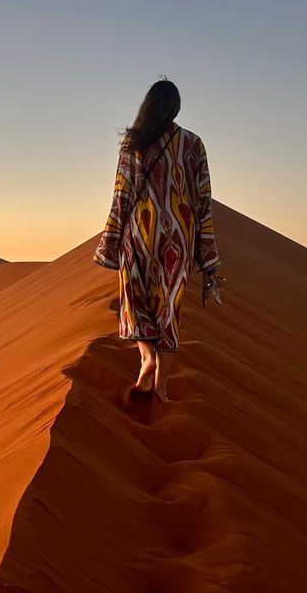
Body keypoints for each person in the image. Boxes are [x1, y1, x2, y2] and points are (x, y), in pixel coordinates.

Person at [93, 77, 221, 401]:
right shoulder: (193, 144)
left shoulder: (133, 143)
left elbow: (122, 194)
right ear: (176, 107)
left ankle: (146, 357)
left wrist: (110, 241)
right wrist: (206, 258)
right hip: (179, 237)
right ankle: (161, 388)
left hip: (139, 233)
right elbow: (204, 200)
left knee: (135, 303)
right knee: (168, 309)